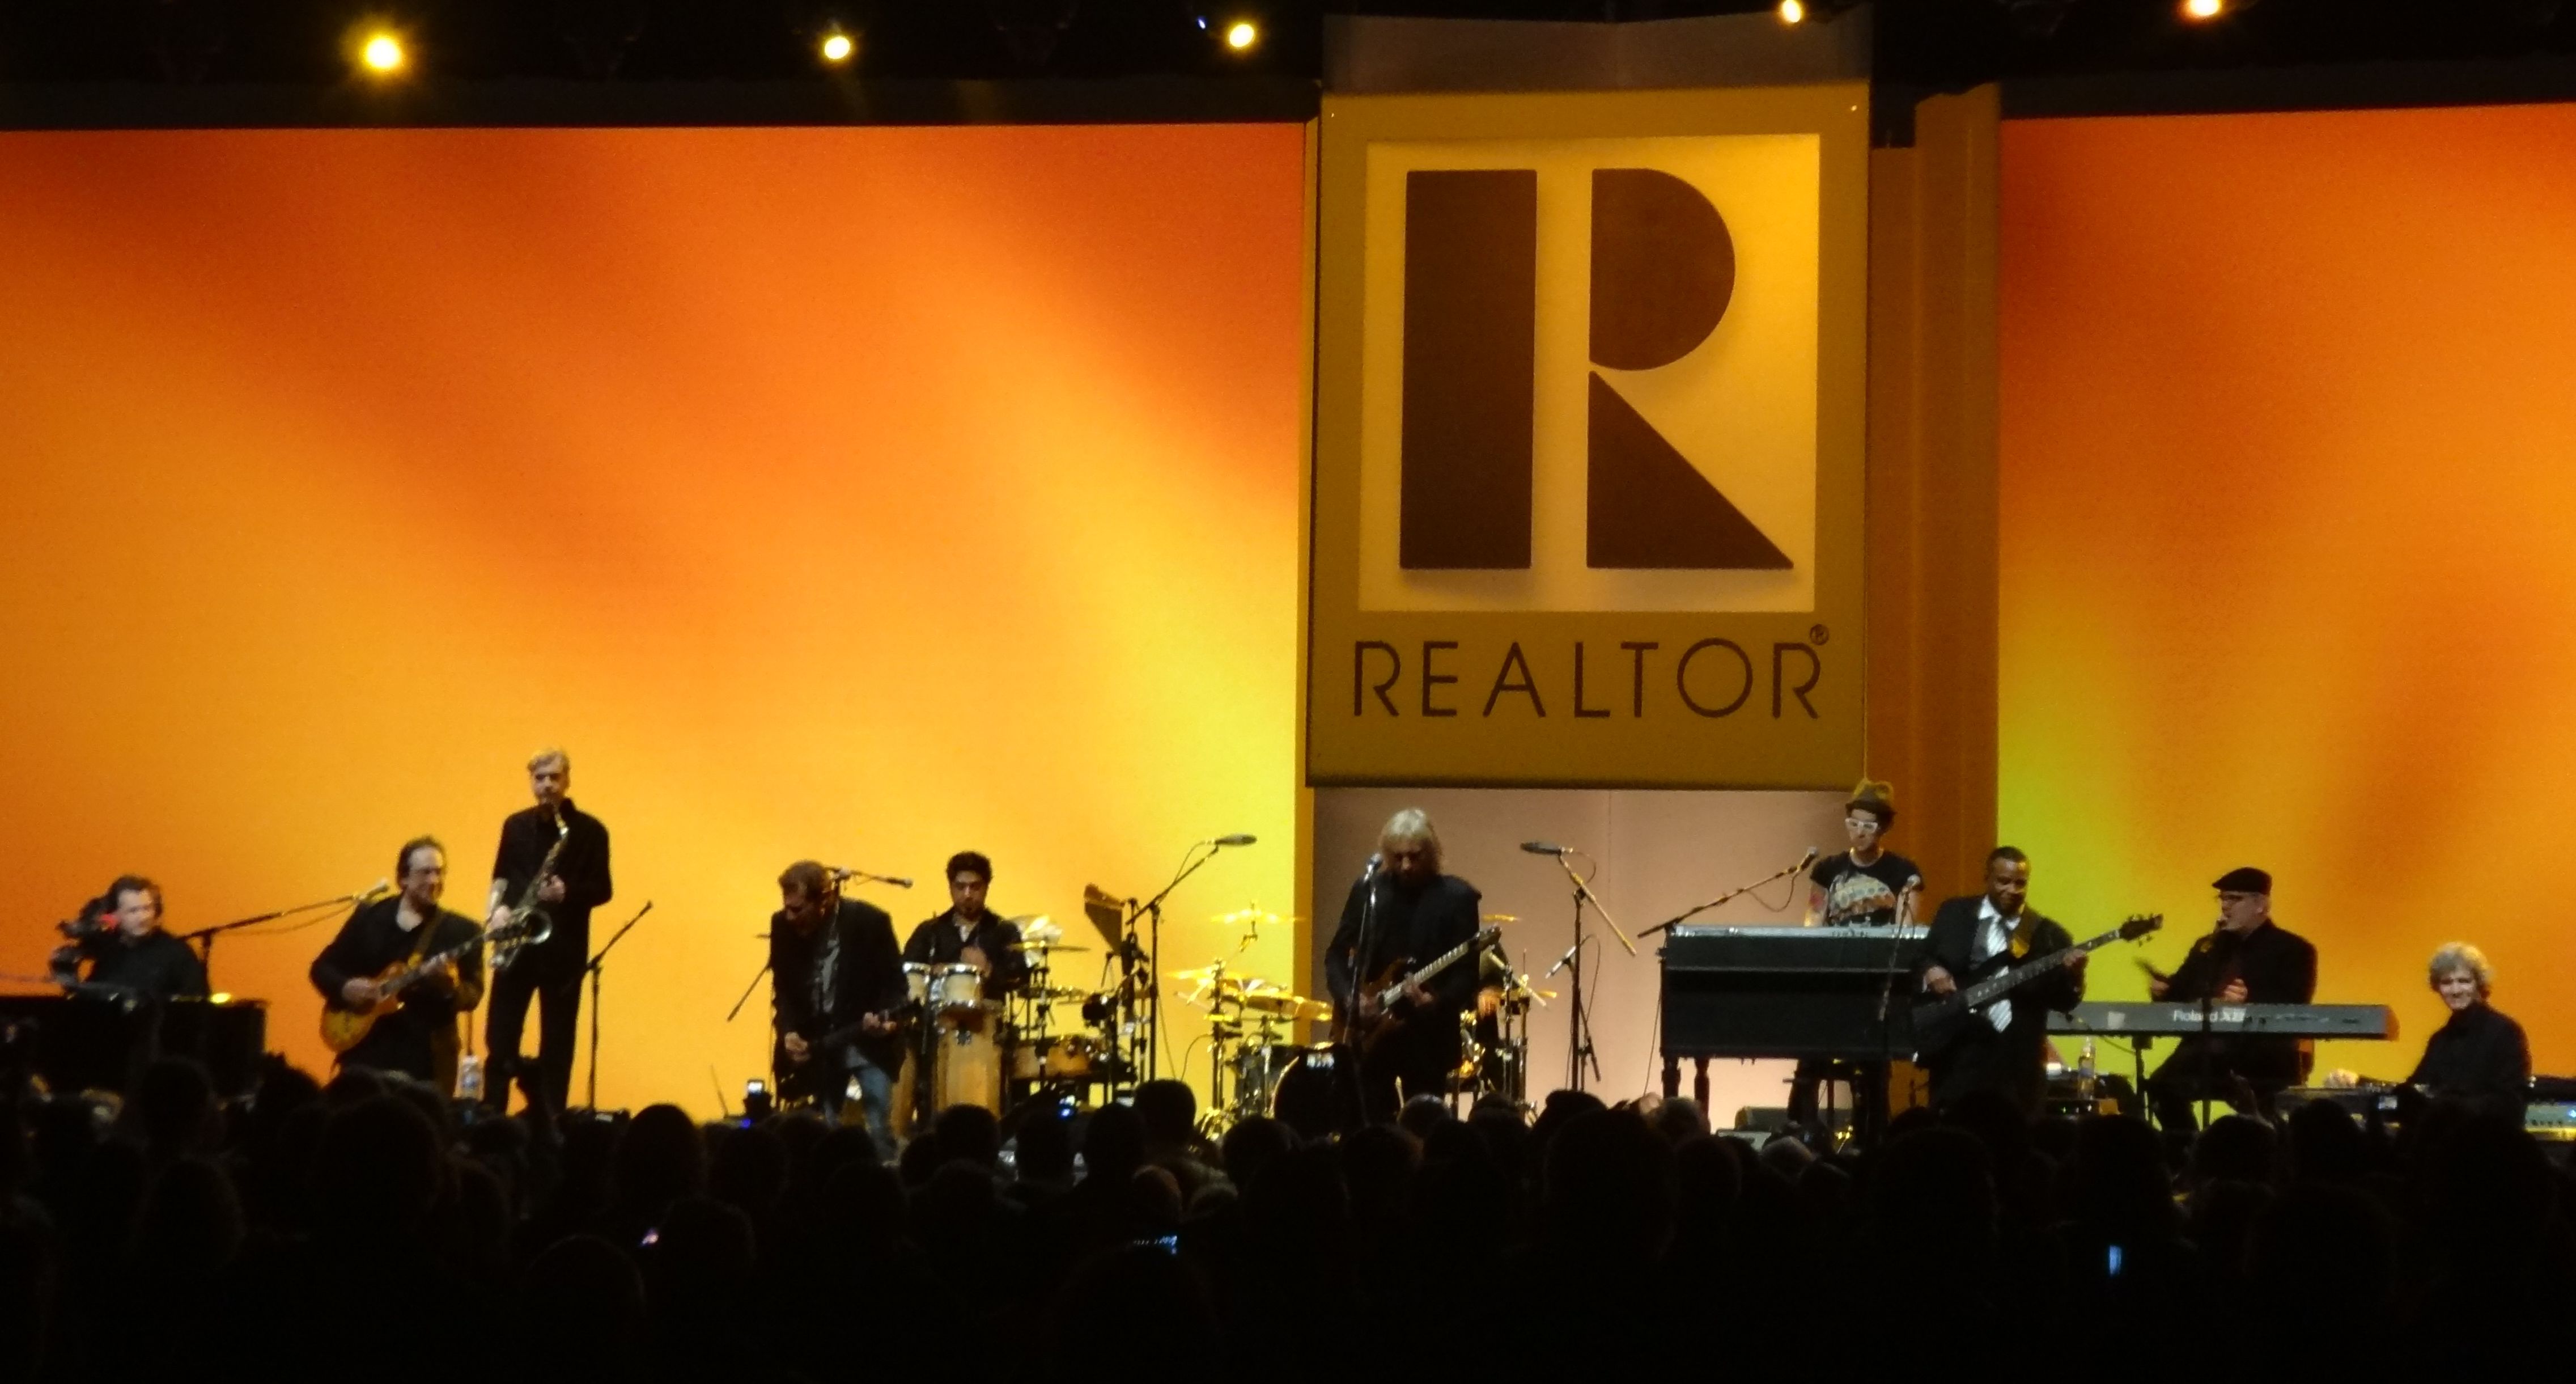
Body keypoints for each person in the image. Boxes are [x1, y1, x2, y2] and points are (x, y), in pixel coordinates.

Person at [1324, 809, 1483, 1122]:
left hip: (1427, 1037)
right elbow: (1336, 956)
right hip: (1370, 1033)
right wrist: (1350, 998)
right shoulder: (1369, 891)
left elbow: (1467, 974)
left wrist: (1436, 1003)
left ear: (1432, 854)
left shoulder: (1458, 898)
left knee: (1424, 1125)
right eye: (1397, 858)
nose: (1406, 866)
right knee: (1370, 1125)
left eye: (1415, 856)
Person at [482, 748, 613, 1116]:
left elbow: (604, 889)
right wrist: (496, 910)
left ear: (567, 780)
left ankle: (551, 1122)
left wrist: (566, 893)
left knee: (557, 1045)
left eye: (554, 777)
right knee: (500, 1038)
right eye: (540, 778)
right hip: (516, 946)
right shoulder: (515, 826)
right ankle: (492, 1117)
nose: (547, 785)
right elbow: (501, 876)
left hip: (563, 953)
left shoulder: (590, 831)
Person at [1789, 781, 1924, 1138]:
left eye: (1869, 825)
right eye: (1854, 823)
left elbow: (1907, 931)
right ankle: (1799, 1127)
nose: (1860, 832)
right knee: (1810, 1055)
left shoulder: (1902, 872)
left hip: (1876, 984)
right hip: (1833, 978)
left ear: (1884, 828)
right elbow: (1814, 920)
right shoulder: (1828, 870)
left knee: (1873, 1062)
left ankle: (1873, 1134)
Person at [2142, 867, 2316, 1132]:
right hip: (2207, 1051)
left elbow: (2296, 1003)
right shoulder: (2209, 946)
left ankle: (2271, 1146)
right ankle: (2190, 1149)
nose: (2225, 906)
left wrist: (2250, 1001)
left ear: (2260, 905)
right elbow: (2183, 993)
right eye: (2222, 899)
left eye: (2234, 899)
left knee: (2265, 1113)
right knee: (2160, 1087)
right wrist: (2164, 992)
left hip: (2263, 1055)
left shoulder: (2293, 949)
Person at [1916, 847, 2085, 1113]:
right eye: (2004, 881)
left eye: (2020, 883)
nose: (2012, 890)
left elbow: (2065, 1002)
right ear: (1987, 878)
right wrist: (1931, 969)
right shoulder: (1954, 914)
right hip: (1957, 1050)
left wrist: (2075, 974)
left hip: (2018, 1059)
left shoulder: (2050, 935)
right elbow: (1922, 955)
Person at [311, 837, 485, 1089]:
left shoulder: (463, 931)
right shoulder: (368, 917)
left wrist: (448, 987)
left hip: (426, 1061)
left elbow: (473, 993)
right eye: (425, 873)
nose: (434, 881)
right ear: (403, 879)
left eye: (439, 872)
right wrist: (345, 988)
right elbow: (322, 968)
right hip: (364, 1053)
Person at [770, 861, 905, 1155]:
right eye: (786, 908)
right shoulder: (782, 926)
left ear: (826, 900)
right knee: (823, 1134)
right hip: (816, 1045)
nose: (790, 917)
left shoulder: (870, 922)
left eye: (798, 909)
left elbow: (897, 986)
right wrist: (788, 1031)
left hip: (864, 1041)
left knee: (878, 1130)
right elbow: (784, 991)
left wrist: (884, 1018)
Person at [2403, 942, 2530, 1118]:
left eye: (2464, 981)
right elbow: (2415, 1089)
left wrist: (2448, 1105)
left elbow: (2509, 1102)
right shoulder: (2439, 1040)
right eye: (2447, 983)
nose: (2455, 990)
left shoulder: (2505, 1032)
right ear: (2438, 988)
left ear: (2479, 985)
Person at [50, 874, 208, 1002]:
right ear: (115, 915)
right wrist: (68, 977)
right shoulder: (109, 951)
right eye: (133, 911)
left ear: (157, 911)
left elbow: (196, 1004)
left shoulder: (177, 953)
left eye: (147, 909)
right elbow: (91, 1004)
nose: (142, 917)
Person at [902, 851, 1027, 993]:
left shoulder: (1004, 930)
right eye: (960, 887)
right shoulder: (929, 930)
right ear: (951, 888)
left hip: (988, 1006)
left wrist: (988, 970)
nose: (967, 895)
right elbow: (904, 974)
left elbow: (1020, 979)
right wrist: (932, 973)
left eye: (975, 887)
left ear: (987, 887)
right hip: (936, 1006)